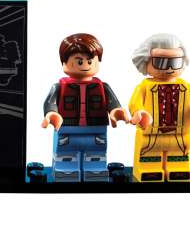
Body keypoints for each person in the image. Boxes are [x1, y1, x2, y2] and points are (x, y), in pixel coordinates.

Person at [42, 33, 128, 182]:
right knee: (66, 153)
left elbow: (112, 103)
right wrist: (51, 113)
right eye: (80, 61)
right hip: (68, 128)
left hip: (96, 128)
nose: (86, 65)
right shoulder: (59, 87)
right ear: (64, 63)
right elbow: (50, 102)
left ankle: (95, 170)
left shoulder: (103, 86)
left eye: (90, 61)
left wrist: (116, 111)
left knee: (96, 152)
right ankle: (66, 170)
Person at [129, 33, 190, 182]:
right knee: (149, 155)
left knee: (179, 155)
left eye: (175, 62)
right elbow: (135, 103)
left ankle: (177, 169)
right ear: (145, 61)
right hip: (151, 134)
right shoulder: (144, 87)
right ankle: (149, 170)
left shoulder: (186, 87)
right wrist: (139, 112)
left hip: (179, 134)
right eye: (160, 62)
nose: (169, 68)